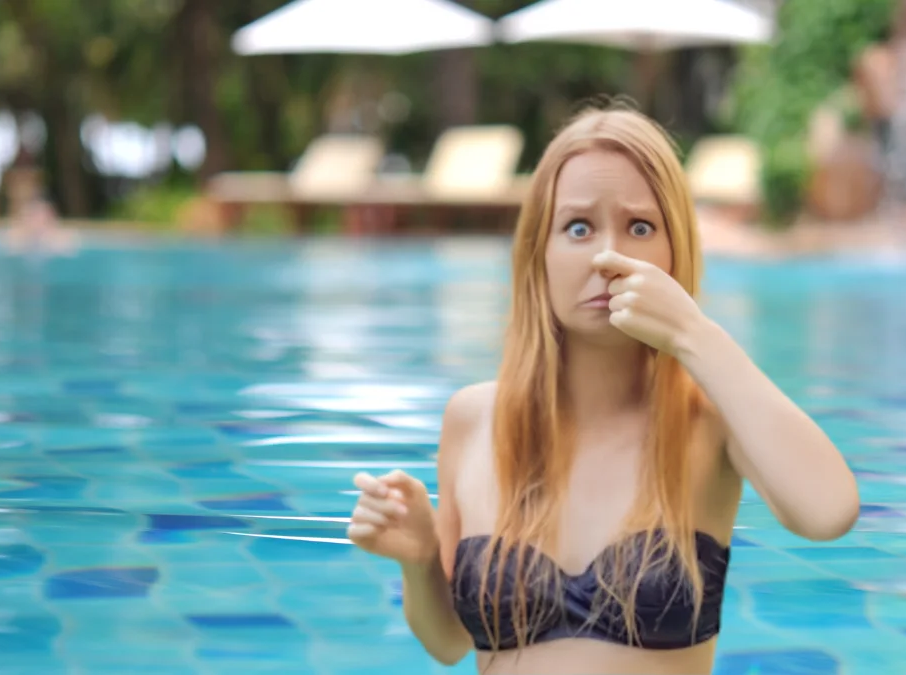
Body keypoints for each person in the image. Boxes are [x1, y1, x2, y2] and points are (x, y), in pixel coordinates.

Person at [346, 105, 860, 675]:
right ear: (538, 255)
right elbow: (449, 644)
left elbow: (829, 513)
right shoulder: (474, 418)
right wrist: (418, 563)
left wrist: (693, 334)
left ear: (674, 251)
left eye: (640, 228)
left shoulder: (711, 419)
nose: (607, 257)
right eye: (578, 228)